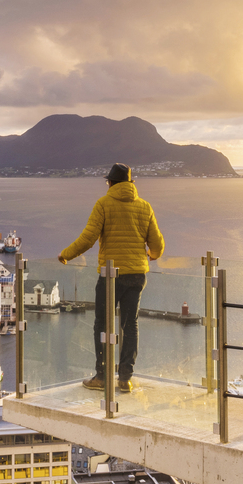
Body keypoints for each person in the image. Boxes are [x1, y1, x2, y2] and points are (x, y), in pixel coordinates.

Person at [58, 163, 164, 393]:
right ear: (130, 183)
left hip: (110, 276)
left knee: (102, 324)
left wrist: (66, 254)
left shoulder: (103, 204)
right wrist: (152, 255)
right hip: (137, 274)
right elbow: (157, 243)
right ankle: (125, 379)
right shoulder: (144, 206)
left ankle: (102, 376)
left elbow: (88, 238)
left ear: (111, 183)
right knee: (131, 325)